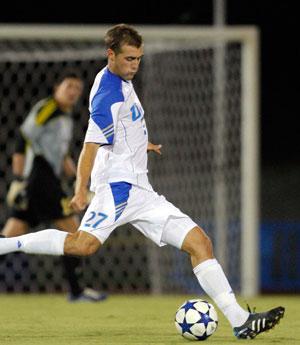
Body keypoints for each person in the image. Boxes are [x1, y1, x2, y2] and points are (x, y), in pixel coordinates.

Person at [0, 24, 284, 338]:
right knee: (82, 245)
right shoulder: (108, 92)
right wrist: (81, 189)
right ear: (111, 55)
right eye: (129, 58)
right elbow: (90, 146)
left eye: (139, 59)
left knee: (200, 243)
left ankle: (241, 321)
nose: (135, 65)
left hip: (141, 192)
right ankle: (5, 245)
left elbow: (121, 130)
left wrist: (138, 143)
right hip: (117, 189)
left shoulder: (121, 80)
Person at [0, 71, 107, 302]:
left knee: (10, 235)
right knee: (73, 232)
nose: (74, 93)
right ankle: (77, 291)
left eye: (78, 89)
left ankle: (77, 290)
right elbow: (22, 139)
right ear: (57, 87)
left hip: (44, 180)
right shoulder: (47, 109)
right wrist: (18, 180)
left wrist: (78, 182)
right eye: (69, 86)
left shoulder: (66, 118)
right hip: (39, 178)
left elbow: (63, 157)